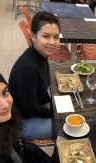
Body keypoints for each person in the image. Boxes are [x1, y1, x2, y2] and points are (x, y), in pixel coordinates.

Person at [9, 12, 60, 140]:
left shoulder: (40, 55)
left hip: (32, 111)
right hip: (22, 122)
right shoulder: (27, 68)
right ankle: (56, 159)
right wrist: (54, 113)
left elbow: (41, 87)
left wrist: (49, 103)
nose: (53, 42)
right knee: (68, 128)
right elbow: (30, 109)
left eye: (56, 37)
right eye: (46, 36)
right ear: (33, 36)